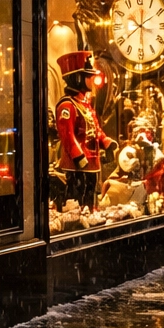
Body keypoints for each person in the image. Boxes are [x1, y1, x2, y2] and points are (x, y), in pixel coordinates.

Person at [54, 50, 111, 211]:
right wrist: (78, 156)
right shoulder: (67, 105)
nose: (92, 80)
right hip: (76, 166)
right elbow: (68, 136)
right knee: (76, 201)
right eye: (88, 76)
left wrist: (105, 141)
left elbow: (95, 127)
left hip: (92, 162)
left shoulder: (85, 104)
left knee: (91, 198)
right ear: (77, 78)